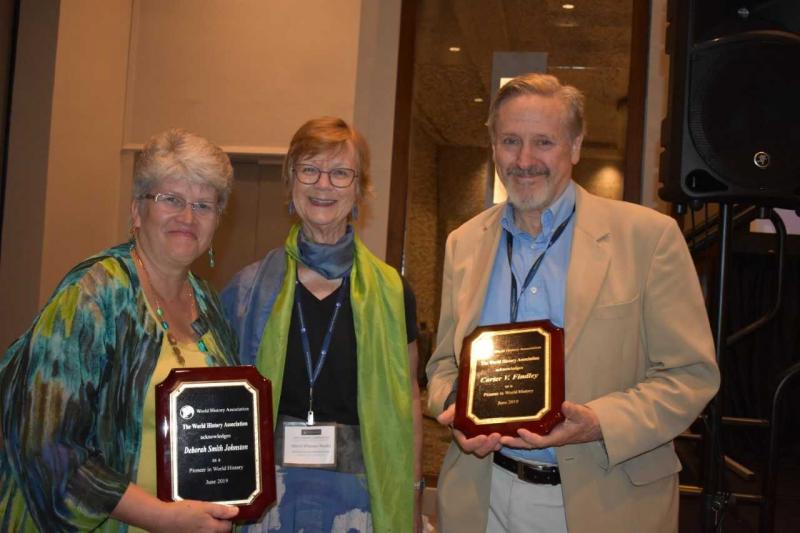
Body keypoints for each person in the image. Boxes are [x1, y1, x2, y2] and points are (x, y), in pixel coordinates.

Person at [426, 73, 720, 532]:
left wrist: (599, 422)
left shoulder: (648, 238)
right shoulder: (463, 243)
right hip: (483, 499)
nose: (525, 160)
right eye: (510, 141)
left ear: (576, 146)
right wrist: (456, 410)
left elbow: (690, 375)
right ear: (494, 147)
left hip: (605, 500)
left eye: (543, 142)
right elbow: (442, 364)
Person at [0, 128, 240, 532]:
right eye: (171, 199)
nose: (188, 217)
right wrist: (161, 517)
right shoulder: (94, 294)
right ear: (136, 211)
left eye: (204, 204)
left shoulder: (209, 303)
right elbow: (45, 445)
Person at [222, 116, 422, 532]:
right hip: (266, 499)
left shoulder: (391, 290)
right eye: (309, 169)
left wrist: (414, 496)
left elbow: (410, 403)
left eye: (340, 173)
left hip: (362, 497)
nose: (323, 185)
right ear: (291, 181)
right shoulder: (247, 289)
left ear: (360, 187)